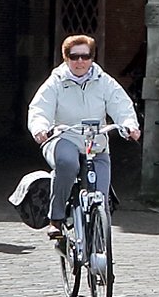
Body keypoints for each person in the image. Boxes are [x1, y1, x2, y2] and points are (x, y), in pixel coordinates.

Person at [27, 32, 140, 234]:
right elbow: (39, 108)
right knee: (67, 163)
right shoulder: (56, 82)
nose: (80, 61)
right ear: (66, 58)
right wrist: (40, 128)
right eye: (74, 56)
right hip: (64, 137)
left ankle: (97, 242)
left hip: (96, 142)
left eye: (85, 56)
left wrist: (129, 125)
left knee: (101, 195)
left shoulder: (104, 81)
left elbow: (120, 104)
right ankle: (57, 218)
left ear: (92, 58)